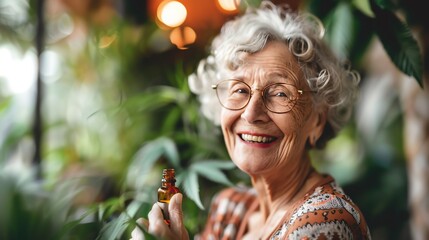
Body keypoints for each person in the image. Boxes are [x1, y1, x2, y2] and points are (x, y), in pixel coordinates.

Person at [133, 1, 371, 239]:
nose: (250, 113)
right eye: (240, 90)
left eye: (280, 93)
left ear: (317, 121)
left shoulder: (326, 222)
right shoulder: (230, 209)